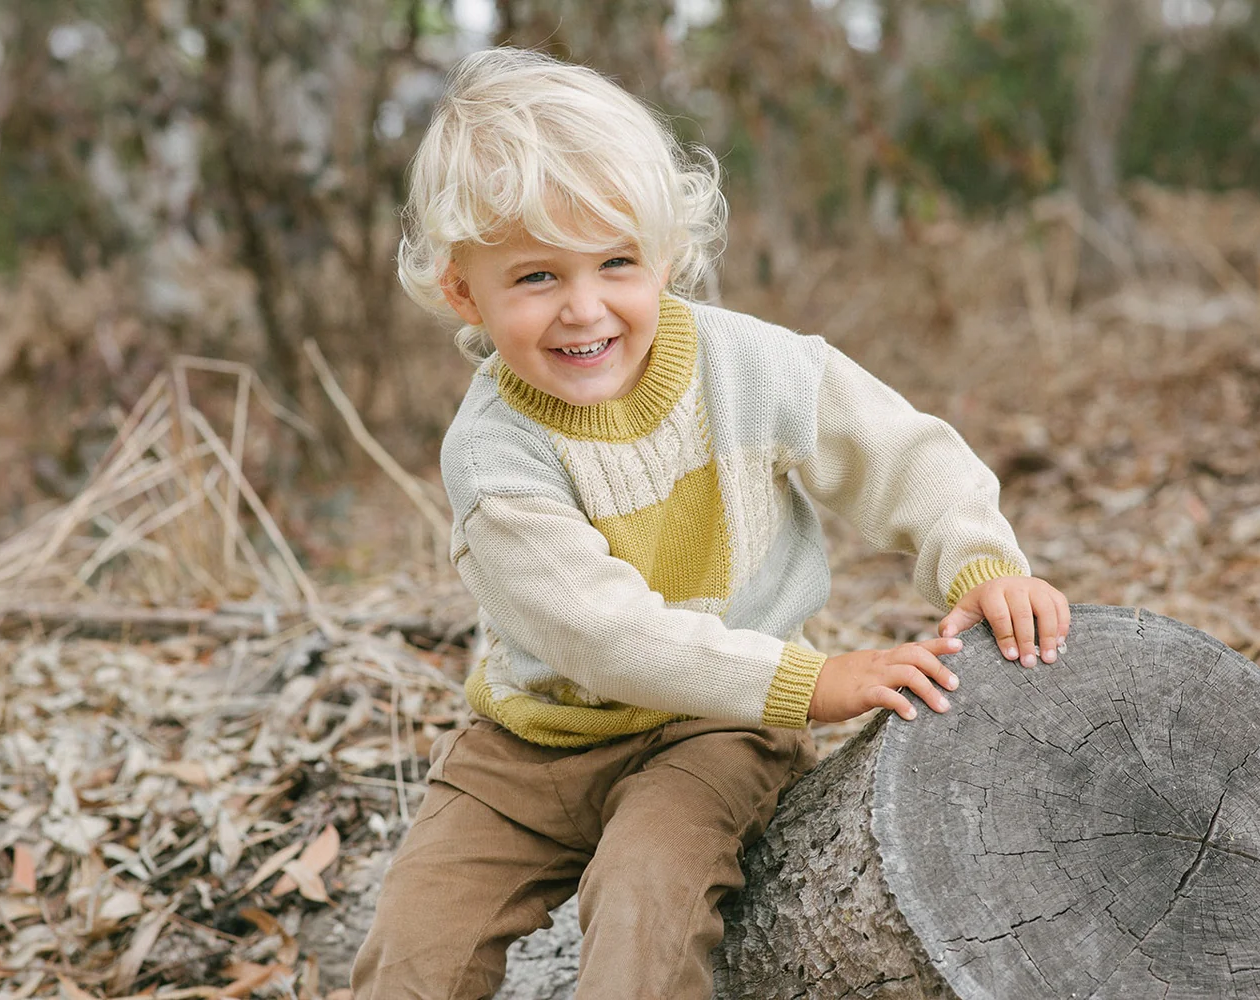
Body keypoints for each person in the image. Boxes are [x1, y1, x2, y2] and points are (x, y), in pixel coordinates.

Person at [350, 46, 1071, 1000]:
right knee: (412, 945)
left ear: (666, 257)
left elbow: (901, 452)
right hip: (534, 740)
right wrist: (815, 681)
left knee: (647, 899)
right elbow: (605, 635)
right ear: (463, 292)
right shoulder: (496, 458)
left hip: (718, 723)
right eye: (534, 277)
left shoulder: (746, 367)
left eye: (616, 263)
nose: (584, 308)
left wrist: (979, 563)